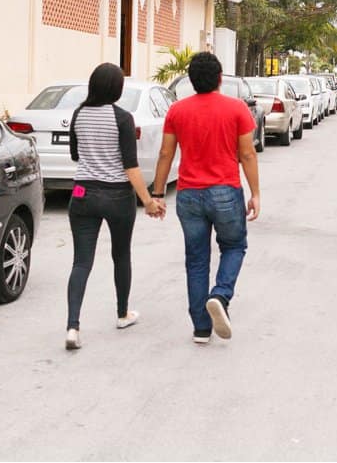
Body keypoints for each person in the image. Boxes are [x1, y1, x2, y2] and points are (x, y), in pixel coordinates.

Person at [152, 52, 260, 344]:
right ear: (220, 79)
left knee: (196, 259)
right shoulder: (236, 109)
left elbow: (166, 153)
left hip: (188, 195)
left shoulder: (177, 111)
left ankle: (201, 328)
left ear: (191, 81)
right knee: (234, 245)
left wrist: (158, 193)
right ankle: (220, 296)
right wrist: (256, 193)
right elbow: (247, 154)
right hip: (225, 191)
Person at [65, 63, 166, 351]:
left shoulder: (79, 114)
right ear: (117, 89)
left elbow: (75, 154)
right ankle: (122, 314)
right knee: (121, 255)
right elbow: (130, 166)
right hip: (117, 197)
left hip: (83, 193)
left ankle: (73, 327)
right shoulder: (122, 118)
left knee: (81, 262)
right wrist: (147, 200)